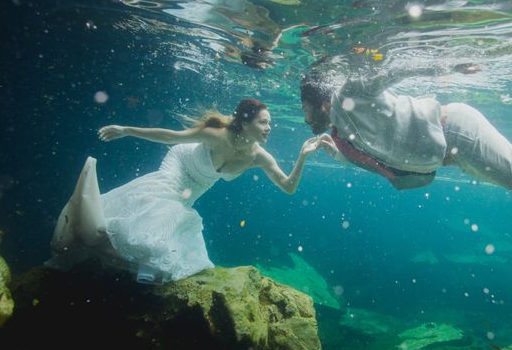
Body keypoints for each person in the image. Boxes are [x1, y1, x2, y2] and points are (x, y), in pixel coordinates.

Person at [300, 57, 512, 213]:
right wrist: (341, 156)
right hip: (453, 157)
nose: (304, 118)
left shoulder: (349, 91)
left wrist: (446, 66)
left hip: (458, 131)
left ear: (319, 101)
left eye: (304, 109)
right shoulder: (340, 135)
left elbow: (391, 71)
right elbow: (389, 166)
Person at [47, 99, 322, 284]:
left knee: (168, 235)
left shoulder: (258, 157)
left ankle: (132, 272)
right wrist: (126, 130)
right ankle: (111, 253)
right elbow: (171, 136)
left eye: (270, 122)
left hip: (195, 188)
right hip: (179, 167)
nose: (269, 127)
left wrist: (303, 156)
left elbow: (287, 187)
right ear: (245, 122)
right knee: (161, 212)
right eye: (264, 122)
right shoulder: (218, 135)